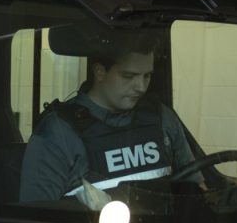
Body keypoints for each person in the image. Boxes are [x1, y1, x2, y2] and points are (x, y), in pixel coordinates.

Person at [18, 30, 195, 204]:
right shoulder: (58, 133)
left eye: (147, 76)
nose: (141, 87)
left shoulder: (162, 118)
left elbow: (197, 190)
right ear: (100, 72)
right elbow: (35, 219)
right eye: (129, 76)